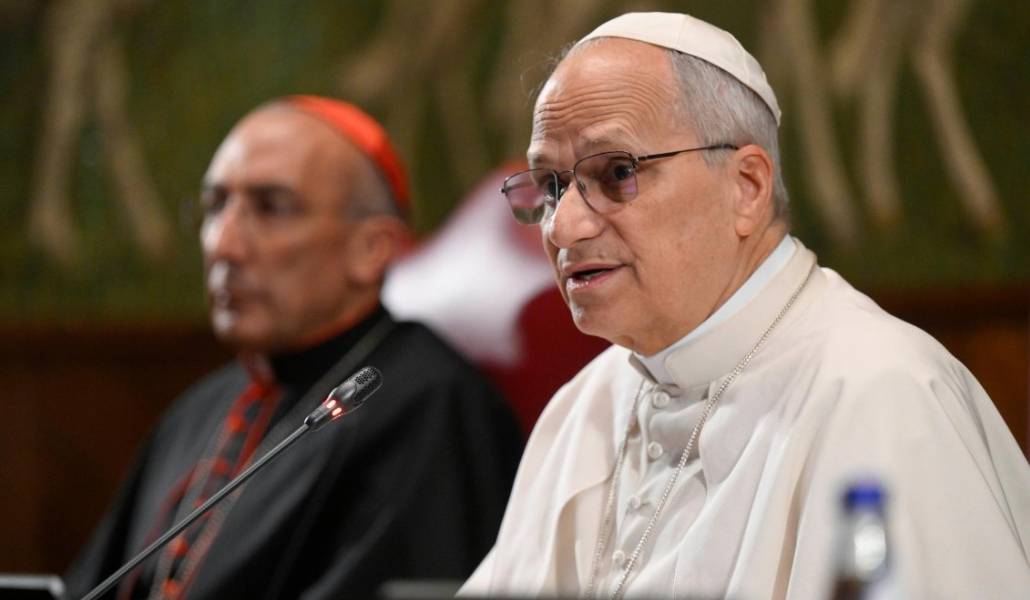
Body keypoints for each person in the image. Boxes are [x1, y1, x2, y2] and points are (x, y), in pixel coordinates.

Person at [460, 12, 1030, 599]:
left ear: (747, 187)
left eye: (618, 172)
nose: (565, 227)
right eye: (551, 186)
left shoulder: (880, 392)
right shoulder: (586, 406)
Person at [65, 96, 523, 599]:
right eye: (215, 204)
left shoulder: (434, 409)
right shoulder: (198, 410)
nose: (223, 243)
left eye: (272, 207)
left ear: (370, 249)